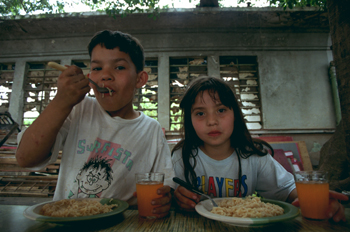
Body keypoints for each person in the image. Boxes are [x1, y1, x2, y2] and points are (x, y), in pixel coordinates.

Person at [16, 30, 174, 218]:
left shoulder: (151, 130)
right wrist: (60, 101)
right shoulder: (77, 109)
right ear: (89, 77)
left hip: (121, 224)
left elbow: (166, 186)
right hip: (65, 222)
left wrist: (164, 199)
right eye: (97, 68)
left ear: (140, 79)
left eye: (119, 67)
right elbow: (25, 158)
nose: (105, 76)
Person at [172, 76, 348, 222]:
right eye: (200, 113)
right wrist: (177, 198)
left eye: (221, 110)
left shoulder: (253, 156)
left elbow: (287, 190)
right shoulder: (182, 157)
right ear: (190, 120)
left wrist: (314, 200)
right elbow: (168, 196)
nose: (212, 121)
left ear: (235, 114)